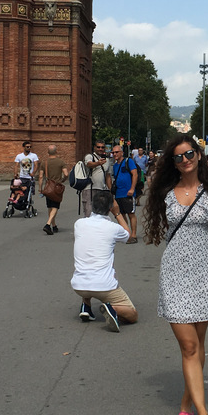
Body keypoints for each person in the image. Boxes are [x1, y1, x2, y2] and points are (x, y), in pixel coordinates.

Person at [144, 134, 208, 415]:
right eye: (178, 157)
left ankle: (186, 401)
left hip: (205, 272)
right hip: (174, 273)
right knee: (189, 345)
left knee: (198, 344)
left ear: (198, 154)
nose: (185, 160)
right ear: (173, 163)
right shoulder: (165, 193)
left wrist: (201, 259)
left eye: (189, 153)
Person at [71, 190, 138, 331]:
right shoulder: (113, 228)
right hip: (104, 286)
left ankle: (86, 306)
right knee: (132, 314)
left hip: (79, 285)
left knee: (88, 256)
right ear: (110, 207)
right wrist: (117, 213)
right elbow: (128, 236)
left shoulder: (79, 224)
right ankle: (111, 308)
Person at [111, 143, 139, 243]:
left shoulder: (128, 161)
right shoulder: (115, 166)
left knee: (131, 214)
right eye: (113, 152)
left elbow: (135, 174)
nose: (115, 154)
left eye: (117, 152)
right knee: (122, 215)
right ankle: (127, 233)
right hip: (118, 193)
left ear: (122, 152)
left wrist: (132, 189)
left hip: (128, 193)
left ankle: (134, 234)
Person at [39, 145, 69, 235]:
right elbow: (66, 174)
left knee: (50, 207)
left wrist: (40, 188)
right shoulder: (61, 162)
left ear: (48, 152)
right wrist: (63, 180)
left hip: (48, 187)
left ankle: (54, 226)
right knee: (55, 206)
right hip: (57, 187)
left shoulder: (44, 163)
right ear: (56, 151)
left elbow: (41, 176)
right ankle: (48, 224)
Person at [82, 141, 110, 218]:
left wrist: (110, 190)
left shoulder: (107, 160)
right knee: (88, 212)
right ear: (94, 147)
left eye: (102, 147)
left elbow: (107, 176)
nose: (100, 149)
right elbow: (89, 164)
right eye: (98, 147)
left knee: (101, 213)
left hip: (102, 189)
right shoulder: (90, 156)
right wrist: (98, 163)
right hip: (90, 189)